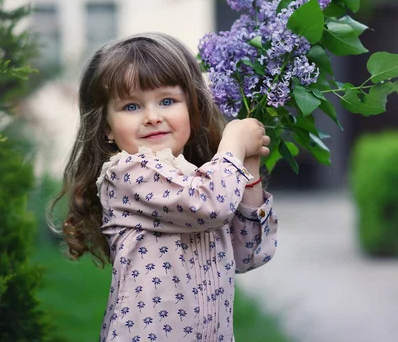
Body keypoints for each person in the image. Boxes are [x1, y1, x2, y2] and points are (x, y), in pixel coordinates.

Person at [52, 32, 278, 342]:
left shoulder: (203, 178)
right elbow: (209, 206)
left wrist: (248, 167)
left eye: (167, 101)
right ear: (107, 127)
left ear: (192, 108)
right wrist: (234, 144)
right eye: (131, 107)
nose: (152, 117)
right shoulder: (127, 173)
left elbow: (249, 254)